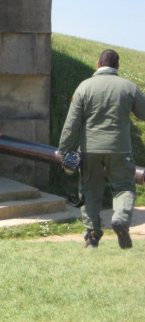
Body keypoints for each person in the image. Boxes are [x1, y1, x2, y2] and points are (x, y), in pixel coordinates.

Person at [58, 49, 145, 249]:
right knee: (124, 187)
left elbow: (72, 123)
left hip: (90, 149)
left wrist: (64, 149)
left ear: (98, 64)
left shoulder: (84, 87)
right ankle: (121, 218)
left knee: (89, 190)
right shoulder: (128, 87)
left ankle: (92, 236)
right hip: (120, 149)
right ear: (118, 66)